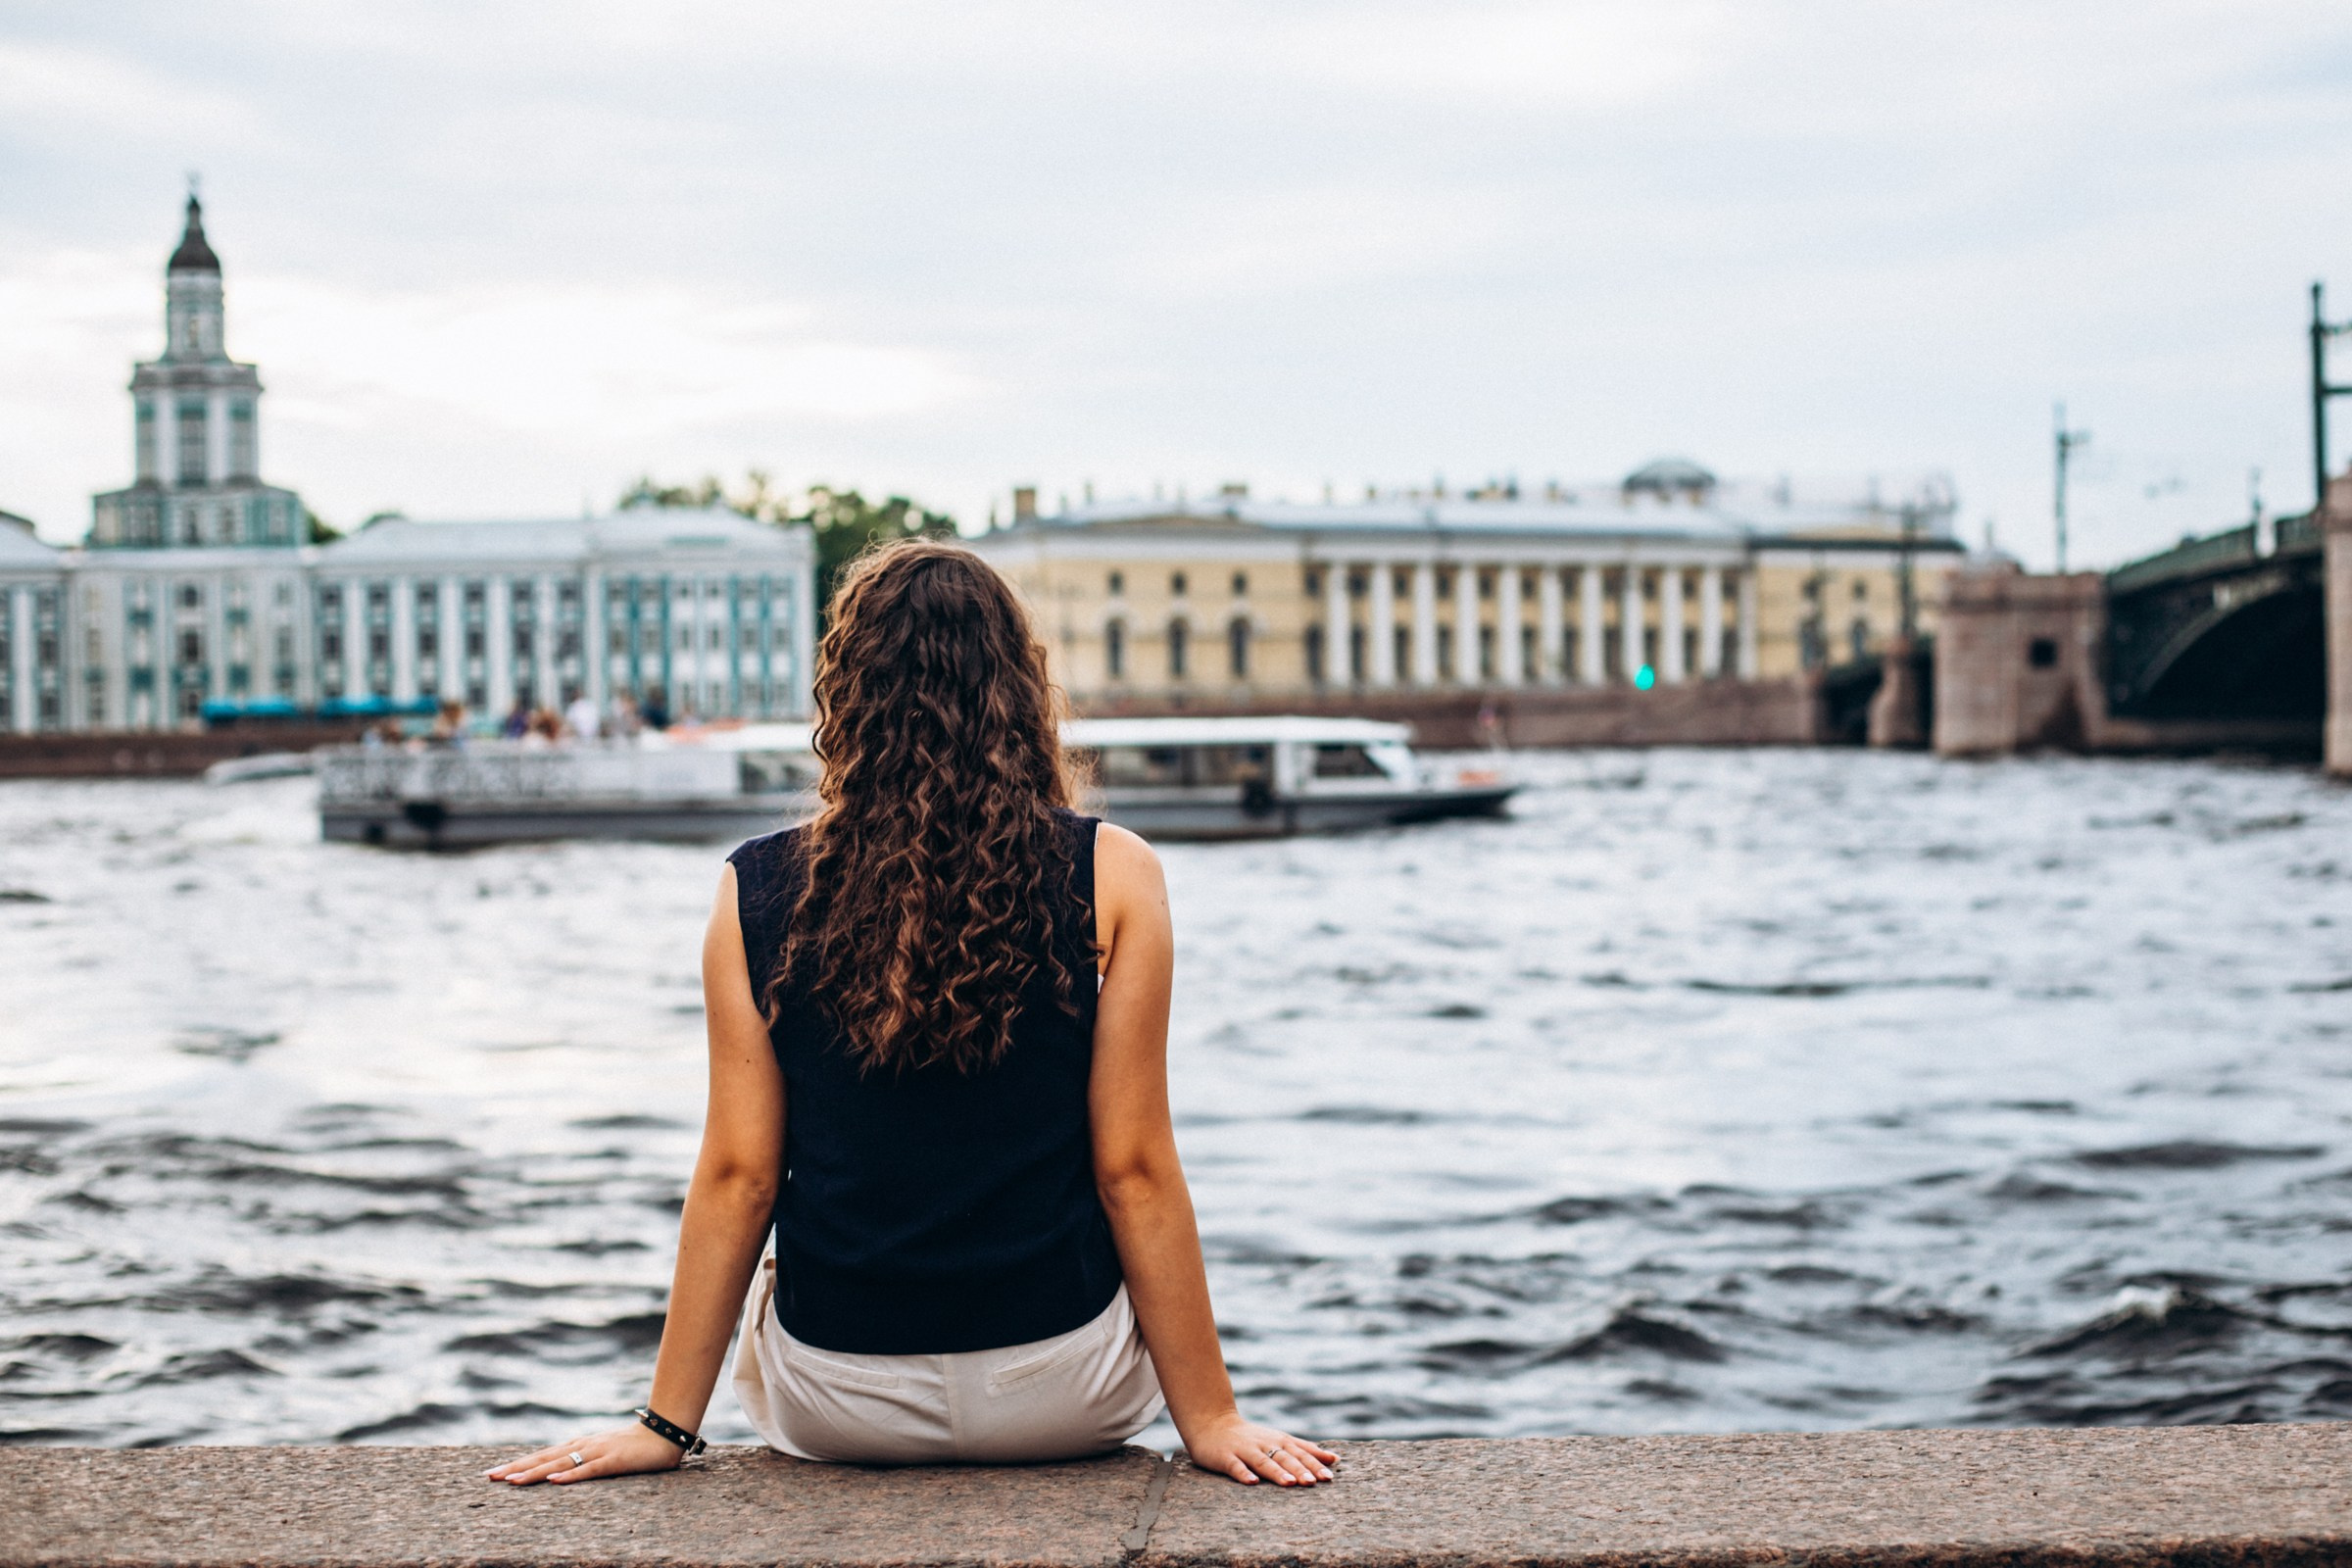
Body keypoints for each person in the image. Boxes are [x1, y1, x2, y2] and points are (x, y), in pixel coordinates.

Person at [489, 541, 1335, 1489]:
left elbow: (741, 1177)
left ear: (845, 694)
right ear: (1019, 687)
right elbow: (1131, 1169)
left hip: (842, 1400)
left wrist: (663, 1426)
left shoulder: (753, 891)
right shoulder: (1117, 875)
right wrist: (1212, 1420)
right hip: (1062, 1389)